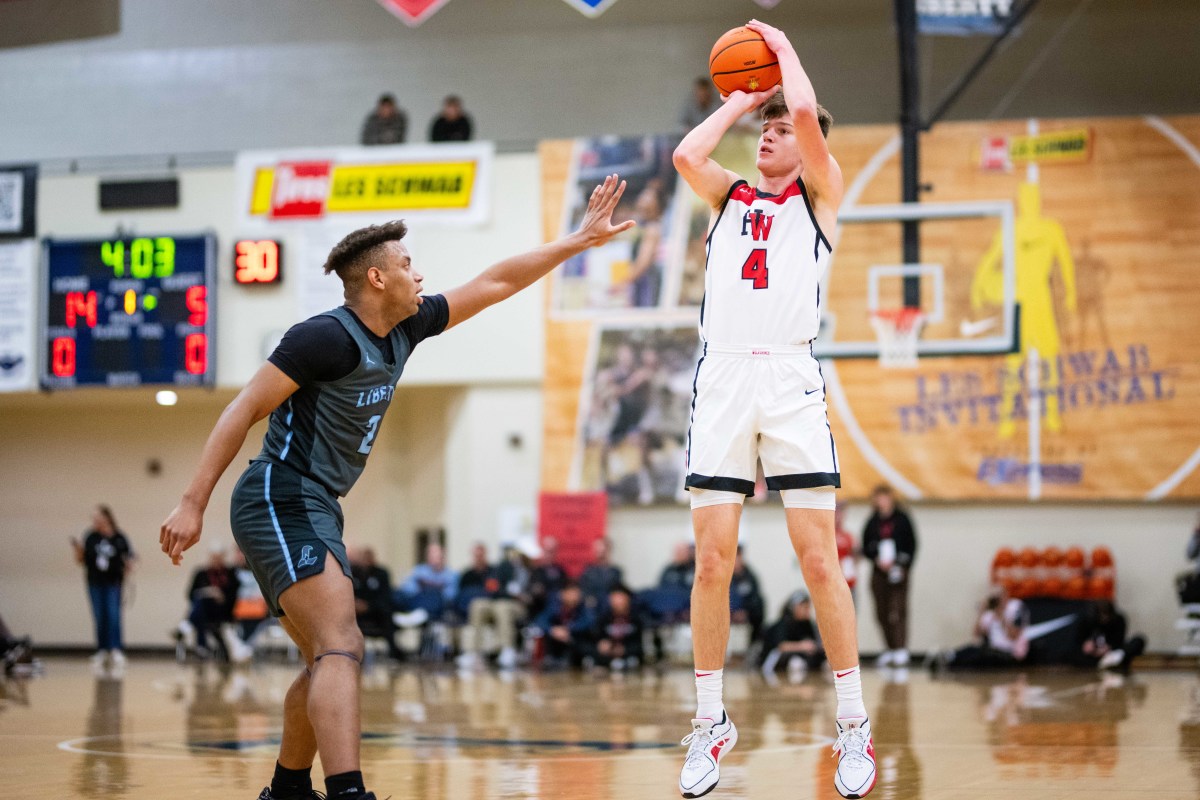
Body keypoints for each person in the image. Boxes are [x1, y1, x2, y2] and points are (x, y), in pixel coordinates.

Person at [158, 174, 634, 800]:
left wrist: (575, 243)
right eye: (408, 264)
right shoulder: (322, 337)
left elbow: (494, 283)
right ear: (377, 278)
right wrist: (192, 502)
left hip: (315, 502)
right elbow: (242, 408)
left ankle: (289, 789)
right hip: (278, 493)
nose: (420, 274)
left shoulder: (406, 329)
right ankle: (348, 791)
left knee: (327, 657)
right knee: (342, 643)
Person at [671, 19, 874, 799]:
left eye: (784, 127)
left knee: (818, 559)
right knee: (712, 562)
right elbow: (689, 155)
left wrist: (787, 55)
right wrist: (741, 97)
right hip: (722, 380)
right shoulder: (726, 198)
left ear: (811, 141)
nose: (769, 134)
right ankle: (710, 721)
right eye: (767, 127)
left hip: (790, 380)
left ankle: (852, 724)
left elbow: (812, 128)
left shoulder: (821, 197)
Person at [72, 505, 135, 671]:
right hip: (94, 582)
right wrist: (78, 550)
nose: (94, 521)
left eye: (97, 518)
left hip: (113, 582)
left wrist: (129, 565)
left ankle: (116, 649)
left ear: (107, 518)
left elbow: (130, 558)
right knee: (99, 616)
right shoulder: (91, 537)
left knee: (114, 615)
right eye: (93, 519)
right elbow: (81, 560)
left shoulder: (119, 537)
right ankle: (101, 650)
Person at [861, 484, 917, 668]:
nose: (881, 501)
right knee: (881, 611)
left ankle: (901, 648)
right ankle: (890, 648)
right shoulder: (872, 521)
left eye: (884, 497)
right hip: (879, 572)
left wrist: (900, 564)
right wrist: (876, 559)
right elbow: (866, 546)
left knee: (898, 610)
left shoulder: (902, 519)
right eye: (878, 497)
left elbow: (912, 545)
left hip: (898, 570)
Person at [455, 543, 531, 671]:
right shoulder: (500, 569)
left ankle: (507, 649)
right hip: (498, 600)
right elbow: (493, 588)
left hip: (517, 605)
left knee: (502, 607)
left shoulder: (530, 570)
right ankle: (472, 652)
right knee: (478, 604)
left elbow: (530, 592)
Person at [932, 585, 1029, 671]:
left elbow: (1013, 635)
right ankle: (949, 657)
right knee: (972, 649)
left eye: (999, 596)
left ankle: (951, 662)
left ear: (1005, 595)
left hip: (1009, 653)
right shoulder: (990, 614)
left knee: (979, 657)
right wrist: (981, 611)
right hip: (992, 650)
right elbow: (976, 634)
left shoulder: (1015, 607)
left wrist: (1001, 615)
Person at [349, 547, 405, 662]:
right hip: (356, 611)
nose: (366, 560)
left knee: (387, 612)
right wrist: (355, 604)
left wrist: (368, 606)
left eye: (369, 558)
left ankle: (393, 653)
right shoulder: (352, 572)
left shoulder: (381, 573)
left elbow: (385, 596)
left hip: (376, 611)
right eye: (363, 558)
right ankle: (352, 653)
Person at [760, 590, 825, 677]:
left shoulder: (808, 623)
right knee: (796, 663)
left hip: (800, 658)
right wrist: (802, 646)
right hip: (775, 661)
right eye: (804, 607)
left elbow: (816, 642)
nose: (807, 610)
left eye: (808, 607)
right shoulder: (783, 623)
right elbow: (781, 646)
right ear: (793, 607)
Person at [531, 580, 594, 669]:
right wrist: (552, 630)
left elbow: (589, 621)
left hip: (574, 640)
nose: (574, 598)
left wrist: (569, 629)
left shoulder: (583, 607)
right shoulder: (554, 606)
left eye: (576, 594)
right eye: (571, 594)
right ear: (562, 594)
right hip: (556, 642)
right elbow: (540, 620)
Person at [1076, 600, 1146, 674]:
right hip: (1094, 655)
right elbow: (1079, 641)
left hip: (1114, 652)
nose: (1104, 619)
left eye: (1106, 615)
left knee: (1138, 641)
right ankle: (1102, 663)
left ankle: (1111, 661)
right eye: (1102, 616)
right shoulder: (1086, 621)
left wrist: (1109, 647)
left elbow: (1119, 640)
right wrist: (1087, 646)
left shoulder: (1119, 620)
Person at [397, 542, 458, 620]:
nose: (434, 557)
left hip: (438, 605)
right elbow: (407, 587)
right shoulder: (419, 570)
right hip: (418, 601)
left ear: (443, 556)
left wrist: (431, 588)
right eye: (431, 554)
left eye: (436, 555)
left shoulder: (451, 574)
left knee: (433, 596)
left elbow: (450, 595)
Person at [592, 586, 645, 670]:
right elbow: (595, 640)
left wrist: (625, 650)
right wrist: (602, 645)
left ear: (627, 600)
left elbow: (640, 645)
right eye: (614, 599)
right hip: (607, 657)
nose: (618, 602)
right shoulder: (603, 619)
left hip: (629, 656)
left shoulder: (636, 619)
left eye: (621, 598)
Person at [579, 538, 624, 607]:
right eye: (596, 549)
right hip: (592, 606)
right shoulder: (588, 571)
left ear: (608, 550)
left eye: (601, 549)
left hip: (610, 607)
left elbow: (618, 591)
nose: (598, 551)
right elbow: (583, 590)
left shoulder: (616, 572)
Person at [835, 503, 859, 603]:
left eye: (841, 512)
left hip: (849, 583)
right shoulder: (827, 536)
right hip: (834, 584)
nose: (838, 515)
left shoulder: (849, 536)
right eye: (836, 512)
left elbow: (857, 558)